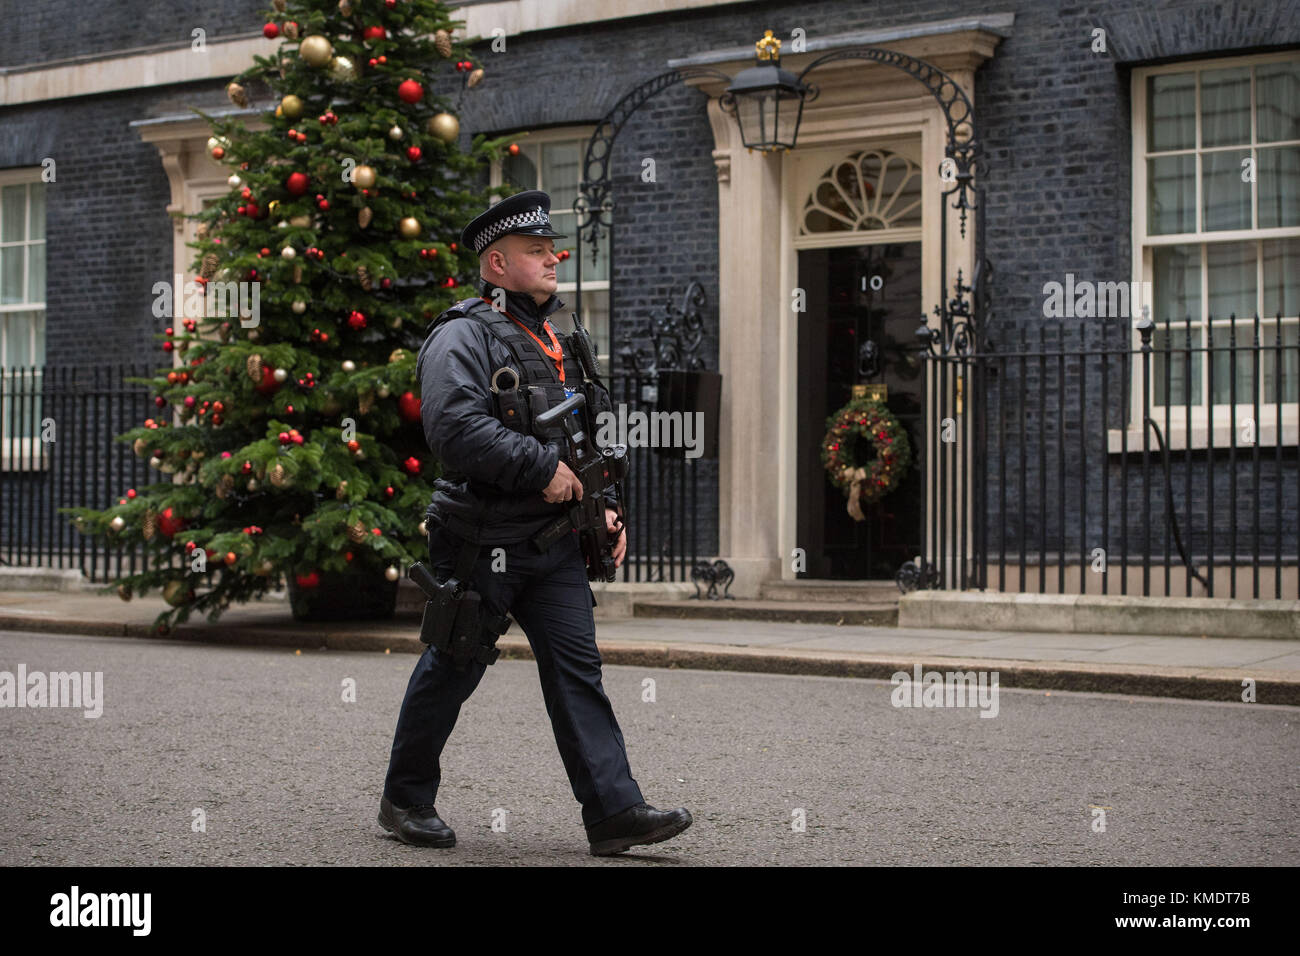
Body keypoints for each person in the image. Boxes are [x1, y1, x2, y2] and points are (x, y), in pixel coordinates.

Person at [379, 189, 692, 857]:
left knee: (579, 673)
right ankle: (404, 799)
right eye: (535, 251)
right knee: (453, 665)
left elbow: (596, 437)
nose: (552, 259)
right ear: (496, 263)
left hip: (554, 544)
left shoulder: (562, 338)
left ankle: (613, 811)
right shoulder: (460, 335)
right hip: (481, 542)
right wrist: (542, 471)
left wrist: (606, 507)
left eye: (552, 249)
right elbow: (453, 430)